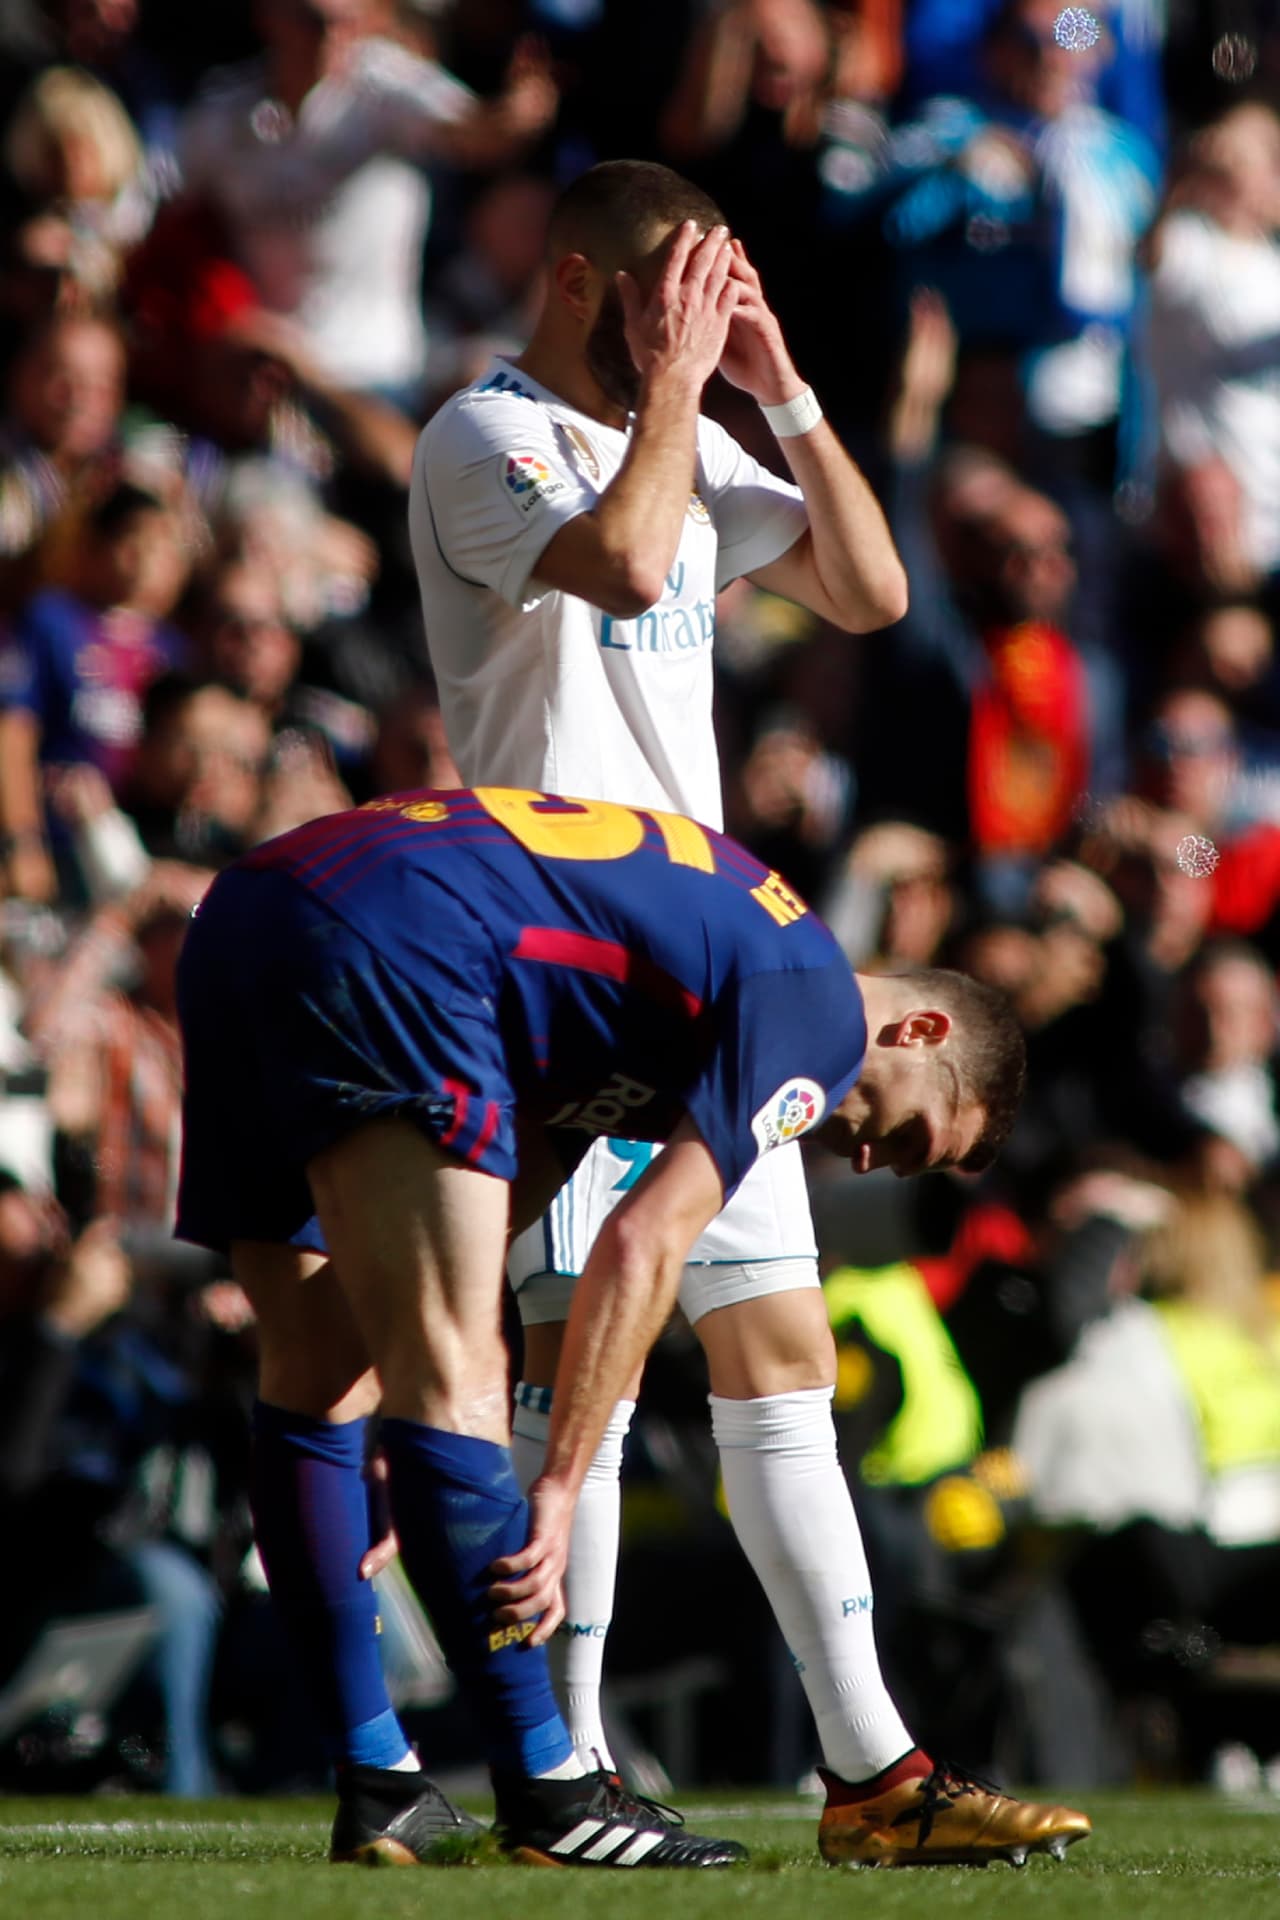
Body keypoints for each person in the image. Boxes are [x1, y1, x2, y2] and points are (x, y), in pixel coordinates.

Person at [407, 158, 1086, 1865]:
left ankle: (875, 1775)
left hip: (714, 951)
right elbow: (633, 570)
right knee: (589, 1384)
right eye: (673, 306)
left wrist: (774, 386)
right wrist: (677, 397)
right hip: (556, 955)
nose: (691, 340)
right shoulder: (480, 440)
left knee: (778, 1360)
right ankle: (560, 1771)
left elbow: (873, 593)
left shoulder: (701, 433)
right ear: (584, 286)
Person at [174, 780, 1086, 1866]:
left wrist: (401, 1427)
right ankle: (552, 1799)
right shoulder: (817, 1011)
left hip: (256, 907)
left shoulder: (679, 989)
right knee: (461, 1369)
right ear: (919, 1028)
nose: (863, 1158)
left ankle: (378, 1785)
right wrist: (554, 1480)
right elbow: (642, 1242)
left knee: (316, 1370)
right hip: (405, 930)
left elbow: (515, 1204)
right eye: (905, 1135)